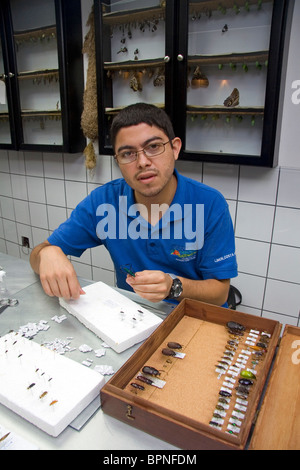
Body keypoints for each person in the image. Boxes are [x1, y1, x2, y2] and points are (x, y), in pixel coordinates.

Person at [30, 103, 237, 306]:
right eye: (128, 153)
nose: (143, 162)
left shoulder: (209, 204)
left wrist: (173, 286)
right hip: (132, 317)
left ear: (174, 148)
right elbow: (37, 255)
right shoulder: (104, 202)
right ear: (117, 161)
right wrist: (47, 253)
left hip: (195, 319)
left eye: (154, 147)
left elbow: (220, 292)